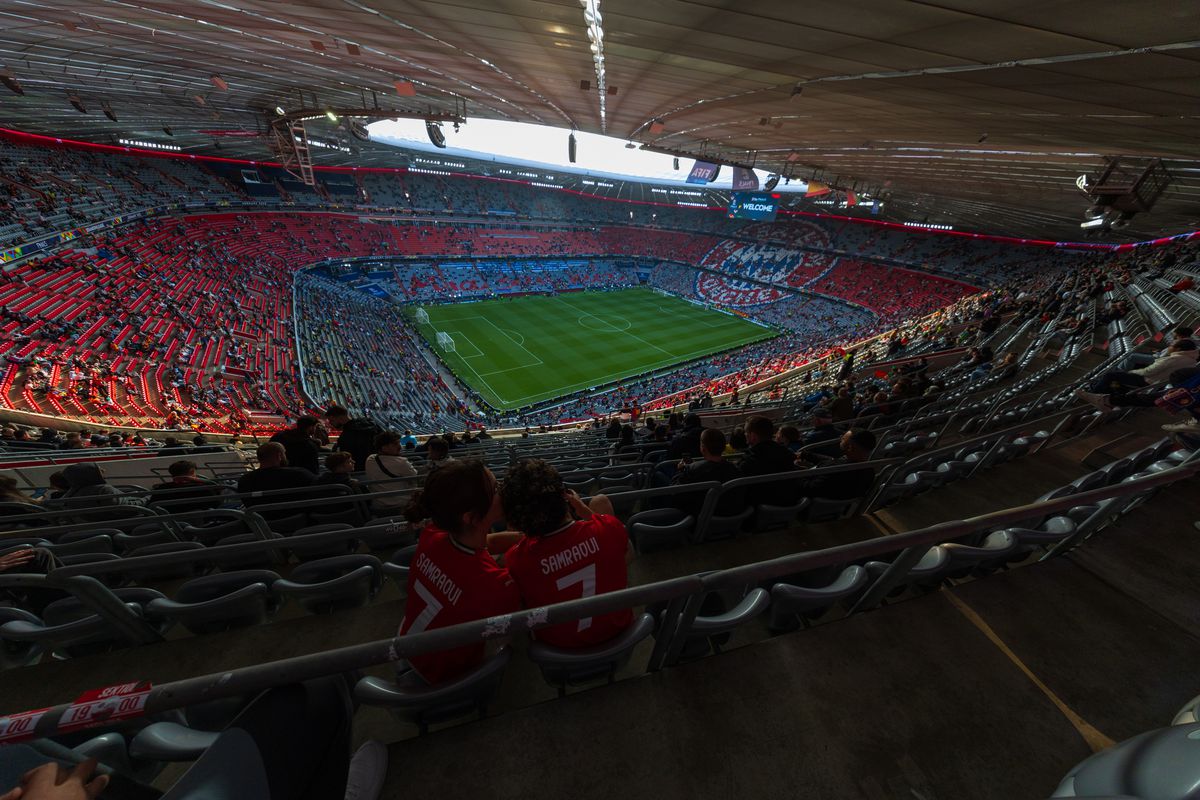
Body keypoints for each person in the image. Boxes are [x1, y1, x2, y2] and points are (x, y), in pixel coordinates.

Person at [398, 460, 522, 684]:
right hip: (448, 675)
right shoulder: (492, 583)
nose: (503, 491)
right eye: (495, 488)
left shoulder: (432, 535)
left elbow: (485, 545)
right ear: (471, 516)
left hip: (410, 647)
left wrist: (525, 537)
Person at [500, 459, 633, 649]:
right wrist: (583, 510)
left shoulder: (516, 559)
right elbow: (627, 553)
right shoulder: (608, 528)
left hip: (559, 655)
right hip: (621, 640)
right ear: (564, 496)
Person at [1076, 340, 1199, 410]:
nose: (1169, 347)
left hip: (1148, 381)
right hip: (1158, 383)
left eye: (1172, 345)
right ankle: (1105, 393)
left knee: (1112, 375)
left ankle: (1096, 393)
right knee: (1119, 374)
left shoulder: (1174, 359)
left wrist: (1130, 372)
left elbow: (1149, 372)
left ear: (1178, 349)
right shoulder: (1192, 361)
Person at [672, 428, 744, 516]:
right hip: (728, 519)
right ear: (724, 446)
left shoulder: (692, 470)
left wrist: (680, 471)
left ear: (703, 448)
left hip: (697, 519)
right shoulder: (736, 469)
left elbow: (674, 493)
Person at [796, 428, 878, 501]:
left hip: (811, 509)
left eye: (843, 438)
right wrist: (807, 455)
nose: (840, 438)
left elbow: (809, 489)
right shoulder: (869, 471)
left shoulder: (834, 470)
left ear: (850, 447)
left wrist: (795, 472)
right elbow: (832, 461)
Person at [739, 416, 797, 505]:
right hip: (787, 503)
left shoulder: (749, 461)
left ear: (753, 436)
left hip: (760, 507)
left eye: (746, 432)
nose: (745, 434)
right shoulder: (786, 453)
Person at [364, 432, 417, 514]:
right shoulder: (401, 462)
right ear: (384, 448)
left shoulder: (370, 459)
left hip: (378, 505)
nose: (399, 446)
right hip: (402, 504)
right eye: (395, 444)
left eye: (399, 443)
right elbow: (414, 478)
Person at [237, 442, 315, 496]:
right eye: (284, 453)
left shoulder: (245, 480)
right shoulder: (299, 474)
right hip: (297, 517)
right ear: (279, 456)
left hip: (259, 518)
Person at [149, 460, 223, 512]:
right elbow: (217, 504)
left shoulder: (160, 488)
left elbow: (152, 506)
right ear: (191, 471)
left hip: (172, 521)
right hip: (202, 519)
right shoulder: (203, 487)